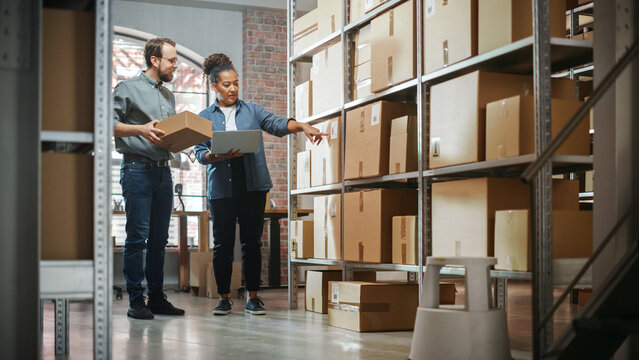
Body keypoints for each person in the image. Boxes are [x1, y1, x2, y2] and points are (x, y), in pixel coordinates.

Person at [194, 54, 326, 315]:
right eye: (226, 85)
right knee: (222, 246)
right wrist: (215, 156)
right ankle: (224, 298)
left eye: (235, 83)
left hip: (252, 186)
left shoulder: (252, 110)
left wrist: (301, 125)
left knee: (251, 243)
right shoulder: (204, 117)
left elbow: (276, 124)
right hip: (222, 189)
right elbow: (199, 151)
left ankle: (253, 297)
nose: (232, 89)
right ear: (214, 87)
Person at [113, 37, 185, 320]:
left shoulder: (168, 95)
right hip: (136, 171)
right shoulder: (127, 88)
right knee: (137, 238)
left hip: (163, 171)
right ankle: (135, 301)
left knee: (159, 239)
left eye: (177, 59)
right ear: (155, 60)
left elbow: (166, 135)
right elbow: (107, 124)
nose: (175, 65)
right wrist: (140, 130)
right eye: (172, 60)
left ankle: (156, 298)